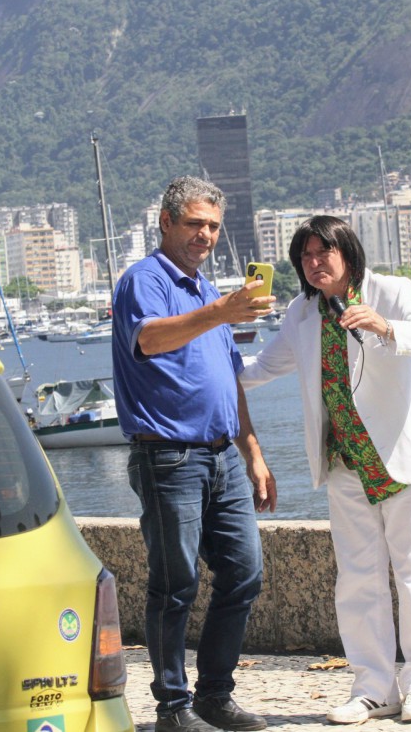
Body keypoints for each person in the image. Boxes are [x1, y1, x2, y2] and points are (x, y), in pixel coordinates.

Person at [239, 215, 411, 725]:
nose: (315, 263)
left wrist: (385, 327)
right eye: (306, 256)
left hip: (404, 458)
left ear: (347, 252)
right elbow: (257, 371)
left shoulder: (390, 290)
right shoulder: (301, 313)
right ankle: (373, 688)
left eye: (324, 253)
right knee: (358, 579)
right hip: (346, 464)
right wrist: (201, 360)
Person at [111, 176, 278, 732]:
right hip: (168, 459)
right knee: (174, 583)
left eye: (212, 225)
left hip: (222, 456)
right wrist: (223, 312)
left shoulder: (211, 294)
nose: (205, 234)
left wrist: (251, 450)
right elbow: (152, 339)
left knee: (244, 573)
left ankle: (214, 696)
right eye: (194, 224)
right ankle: (172, 709)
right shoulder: (145, 281)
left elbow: (229, 379)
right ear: (166, 223)